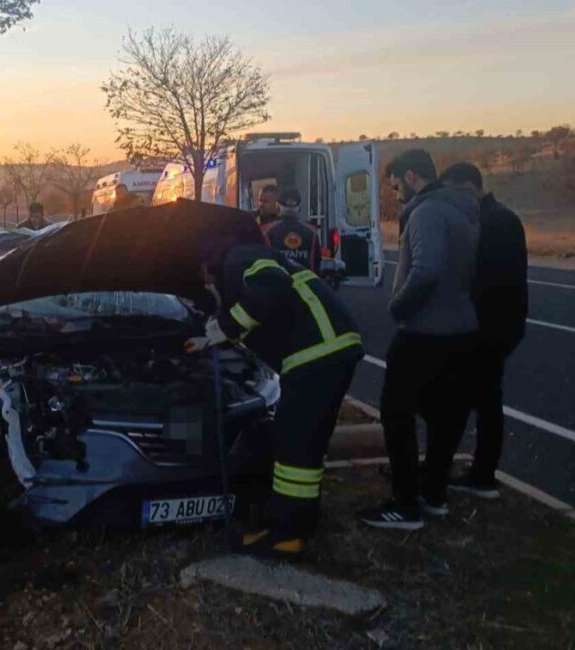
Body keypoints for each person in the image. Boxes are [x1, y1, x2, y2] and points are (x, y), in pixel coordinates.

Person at [186, 234, 363, 558]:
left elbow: (273, 288)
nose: (206, 283)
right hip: (323, 350)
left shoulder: (240, 257)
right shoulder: (243, 262)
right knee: (298, 440)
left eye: (203, 277)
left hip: (318, 350)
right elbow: (267, 313)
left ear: (207, 264)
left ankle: (289, 534)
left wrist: (225, 325)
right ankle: (287, 523)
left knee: (296, 442)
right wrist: (218, 335)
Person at [359, 149, 480, 530]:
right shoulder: (463, 210)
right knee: (445, 416)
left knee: (397, 413)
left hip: (424, 333)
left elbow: (425, 271)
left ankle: (405, 503)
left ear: (411, 177)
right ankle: (434, 494)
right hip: (461, 331)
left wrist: (398, 307)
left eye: (396, 185)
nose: (395, 195)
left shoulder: (427, 212)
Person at [440, 162, 528, 499]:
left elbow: (487, 282)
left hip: (489, 327)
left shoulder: (495, 222)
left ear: (467, 186)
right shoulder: (497, 218)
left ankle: (481, 474)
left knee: (479, 399)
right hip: (495, 324)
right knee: (479, 397)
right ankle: (473, 470)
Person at [262, 187, 321, 274]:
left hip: (276, 284)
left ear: (277, 206)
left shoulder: (266, 231)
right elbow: (317, 264)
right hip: (305, 285)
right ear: (299, 208)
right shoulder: (312, 232)